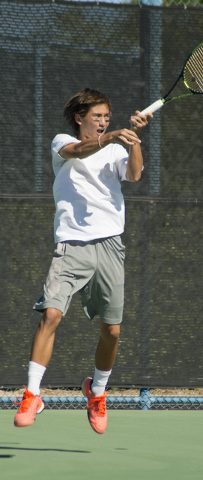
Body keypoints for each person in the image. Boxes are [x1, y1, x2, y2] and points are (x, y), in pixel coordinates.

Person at [14, 88, 152, 434]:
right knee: (51, 314)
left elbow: (134, 175)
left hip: (109, 245)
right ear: (80, 118)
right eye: (97, 117)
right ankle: (32, 394)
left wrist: (133, 139)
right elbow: (77, 151)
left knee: (113, 330)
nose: (104, 122)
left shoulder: (117, 146)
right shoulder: (62, 141)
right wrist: (113, 138)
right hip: (71, 245)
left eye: (107, 117)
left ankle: (97, 391)